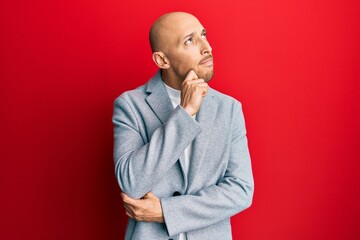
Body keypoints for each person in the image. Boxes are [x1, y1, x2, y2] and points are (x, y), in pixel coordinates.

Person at [112, 12, 254, 240]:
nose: (206, 47)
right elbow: (132, 183)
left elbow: (240, 190)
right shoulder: (130, 105)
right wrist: (185, 113)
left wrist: (167, 212)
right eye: (190, 40)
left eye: (204, 35)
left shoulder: (229, 108)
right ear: (162, 60)